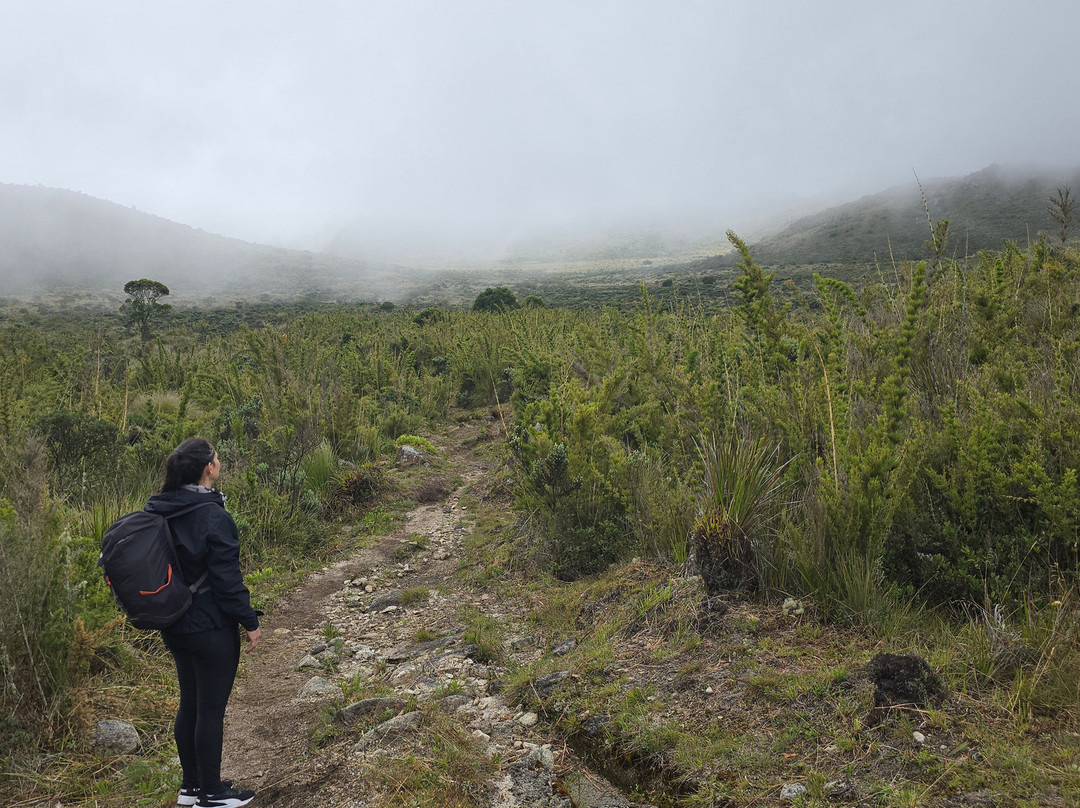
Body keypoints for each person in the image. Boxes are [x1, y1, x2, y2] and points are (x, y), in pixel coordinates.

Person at [146, 438, 260, 808]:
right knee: (210, 710)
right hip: (210, 626)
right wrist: (249, 620)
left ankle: (191, 787)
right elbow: (226, 580)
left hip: (173, 622)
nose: (219, 461)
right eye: (216, 457)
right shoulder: (213, 515)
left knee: (190, 704)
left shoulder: (159, 508)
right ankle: (212, 793)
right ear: (208, 467)